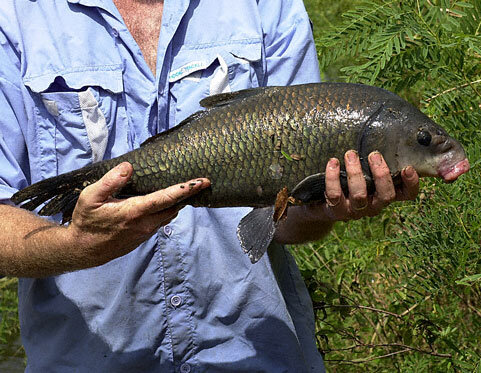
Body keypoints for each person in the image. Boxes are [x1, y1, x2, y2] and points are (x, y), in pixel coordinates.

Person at [0, 0, 419, 371]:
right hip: (89, 360)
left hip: (256, 354)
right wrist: (75, 245)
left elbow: (292, 222)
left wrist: (323, 207)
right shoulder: (14, 16)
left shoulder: (265, 6)